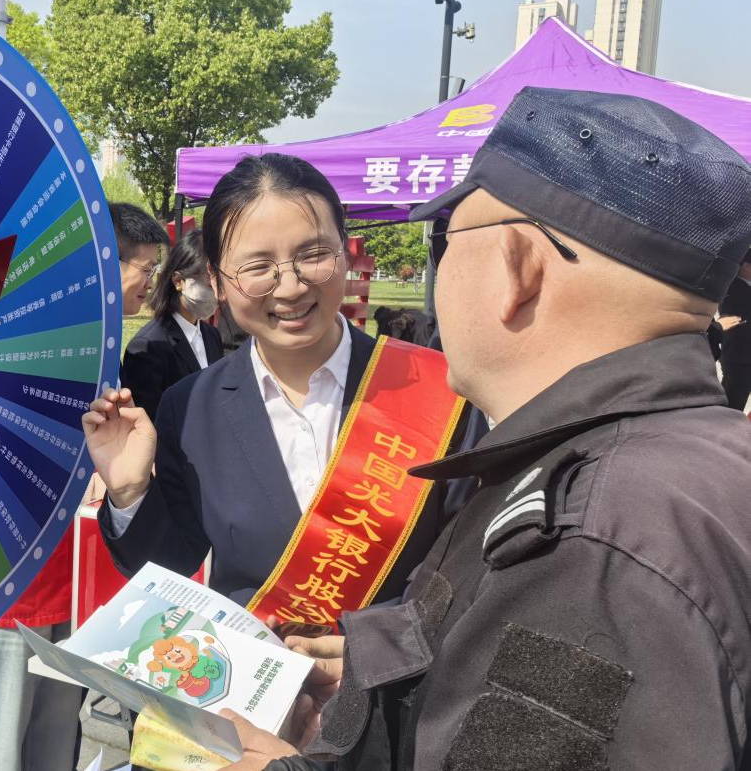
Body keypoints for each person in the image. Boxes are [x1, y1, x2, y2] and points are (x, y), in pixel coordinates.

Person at [222, 88, 751, 771]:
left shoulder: (590, 543)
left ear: (515, 266)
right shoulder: (698, 458)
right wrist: (401, 671)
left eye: (448, 240)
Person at [83, 153, 483, 617]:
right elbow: (172, 563)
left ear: (343, 251)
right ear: (217, 281)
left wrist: (370, 646)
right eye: (257, 267)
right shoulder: (191, 407)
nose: (290, 287)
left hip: (401, 662)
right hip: (250, 663)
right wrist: (130, 492)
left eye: (313, 255)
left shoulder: (440, 389)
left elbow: (471, 562)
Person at [0, 202, 168, 771]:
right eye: (144, 268)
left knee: (53, 743)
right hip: (6, 580)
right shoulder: (15, 330)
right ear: (106, 260)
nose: (150, 283)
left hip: (71, 576)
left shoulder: (100, 343)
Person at [122, 229, 225, 421]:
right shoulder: (148, 347)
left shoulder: (212, 335)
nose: (217, 293)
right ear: (179, 281)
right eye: (208, 282)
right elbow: (150, 423)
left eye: (220, 282)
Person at [719, 251, 751, 411]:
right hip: (738, 356)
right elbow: (738, 318)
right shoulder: (733, 287)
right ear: (746, 266)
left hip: (744, 356)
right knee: (732, 403)